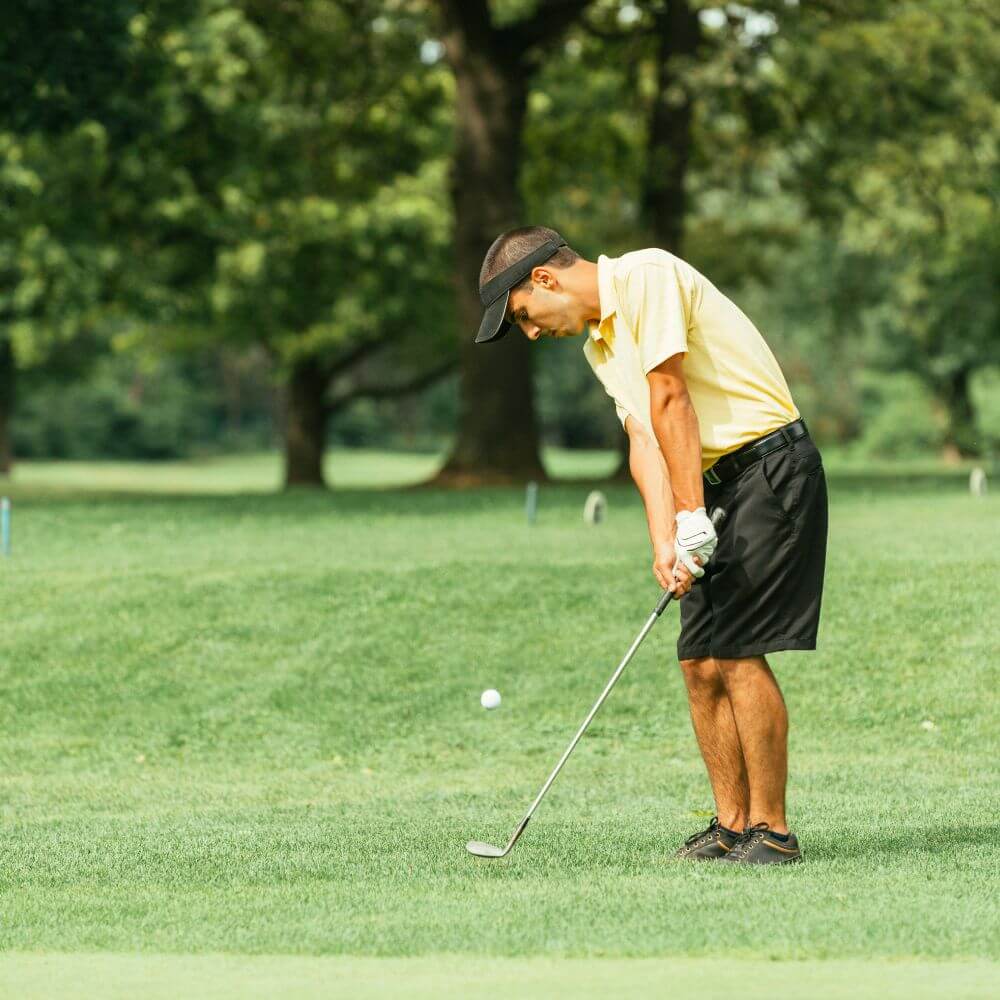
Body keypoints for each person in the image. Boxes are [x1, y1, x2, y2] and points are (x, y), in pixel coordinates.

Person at [473, 226, 828, 865]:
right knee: (699, 658)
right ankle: (731, 825)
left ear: (545, 279)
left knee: (740, 651)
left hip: (769, 468)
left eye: (524, 316)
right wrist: (665, 538)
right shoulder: (600, 347)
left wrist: (692, 513)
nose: (531, 333)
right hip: (711, 482)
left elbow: (671, 396)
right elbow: (645, 438)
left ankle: (771, 832)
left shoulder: (648, 275)